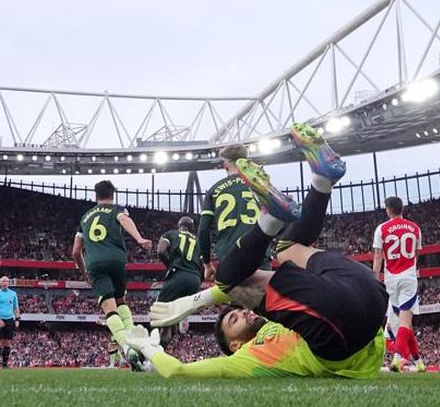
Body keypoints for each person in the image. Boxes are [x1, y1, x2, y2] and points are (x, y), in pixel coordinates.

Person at [129, 124, 387, 379]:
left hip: (363, 294)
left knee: (279, 254)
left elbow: (228, 271)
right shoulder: (248, 357)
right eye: (234, 321)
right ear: (235, 345)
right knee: (253, 268)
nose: (243, 312)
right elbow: (179, 371)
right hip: (354, 316)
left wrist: (192, 301)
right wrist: (149, 348)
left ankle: (318, 184)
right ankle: (309, 192)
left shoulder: (282, 318)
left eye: (237, 312)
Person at [70, 180, 152, 361]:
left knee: (110, 309)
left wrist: (85, 273)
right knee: (121, 301)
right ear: (113, 195)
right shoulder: (117, 209)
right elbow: (124, 219)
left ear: (95, 196)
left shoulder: (85, 218)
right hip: (117, 260)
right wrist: (139, 239)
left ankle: (127, 349)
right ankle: (137, 345)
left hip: (95, 264)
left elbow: (75, 251)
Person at [197, 145, 265, 283]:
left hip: (229, 253)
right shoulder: (260, 185)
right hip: (259, 250)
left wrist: (207, 264)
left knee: (236, 295)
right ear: (247, 162)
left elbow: (203, 231)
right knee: (265, 295)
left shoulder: (214, 190)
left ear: (225, 165)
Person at [372, 196, 424, 372]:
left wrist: (375, 278)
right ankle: (398, 357)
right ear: (402, 208)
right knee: (404, 321)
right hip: (408, 277)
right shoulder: (415, 228)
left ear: (388, 210)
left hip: (390, 279)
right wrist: (410, 267)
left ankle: (418, 361)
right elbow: (417, 254)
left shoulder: (381, 229)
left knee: (403, 322)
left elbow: (378, 256)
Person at [154, 216, 202, 347]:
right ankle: (181, 317)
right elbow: (202, 265)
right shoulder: (198, 241)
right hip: (195, 279)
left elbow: (161, 251)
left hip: (178, 274)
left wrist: (169, 265)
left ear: (179, 226)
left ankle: (151, 350)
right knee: (171, 319)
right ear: (192, 228)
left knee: (158, 311)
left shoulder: (171, 234)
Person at [0, 276, 20, 368]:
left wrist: (17, 319)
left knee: (7, 343)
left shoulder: (13, 294)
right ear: (0, 283)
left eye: (7, 281)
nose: (5, 283)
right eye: (3, 281)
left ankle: (5, 365)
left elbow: (15, 307)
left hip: (10, 320)